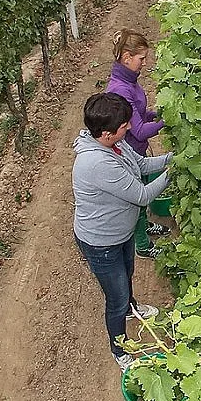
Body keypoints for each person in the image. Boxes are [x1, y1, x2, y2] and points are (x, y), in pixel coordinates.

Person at [72, 92, 172, 370]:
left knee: (127, 274)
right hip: (101, 242)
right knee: (115, 298)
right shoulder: (97, 163)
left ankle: (131, 307)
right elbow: (142, 195)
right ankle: (119, 347)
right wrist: (174, 171)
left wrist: (171, 158)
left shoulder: (114, 145)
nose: (129, 128)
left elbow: (141, 165)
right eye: (124, 126)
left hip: (122, 232)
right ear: (106, 133)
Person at [106, 29, 170, 259]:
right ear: (126, 57)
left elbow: (138, 114)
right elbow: (140, 131)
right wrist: (166, 120)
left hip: (136, 148)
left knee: (141, 202)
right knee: (136, 201)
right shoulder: (120, 89)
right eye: (141, 58)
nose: (145, 63)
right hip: (129, 151)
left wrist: (154, 113)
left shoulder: (128, 80)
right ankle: (142, 245)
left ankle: (143, 229)